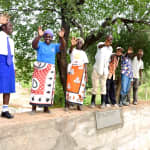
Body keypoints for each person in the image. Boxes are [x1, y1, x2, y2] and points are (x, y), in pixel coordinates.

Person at [30, 26, 66, 113]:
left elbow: (63, 47)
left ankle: (46, 108)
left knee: (48, 89)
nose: (48, 38)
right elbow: (33, 45)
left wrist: (61, 38)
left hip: (50, 69)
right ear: (44, 37)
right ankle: (34, 108)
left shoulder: (55, 46)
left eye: (49, 36)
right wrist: (39, 36)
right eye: (46, 36)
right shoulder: (40, 44)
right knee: (37, 87)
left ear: (52, 38)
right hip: (39, 68)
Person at [66, 37, 88, 111]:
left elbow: (85, 64)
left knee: (80, 89)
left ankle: (79, 105)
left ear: (82, 44)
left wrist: (86, 74)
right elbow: (69, 51)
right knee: (70, 87)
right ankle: (67, 105)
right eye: (77, 42)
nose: (79, 43)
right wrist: (72, 45)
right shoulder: (72, 50)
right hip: (72, 71)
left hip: (81, 72)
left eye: (80, 42)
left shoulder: (83, 53)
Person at [91, 35, 113, 108]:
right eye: (108, 39)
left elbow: (110, 58)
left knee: (103, 86)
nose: (109, 41)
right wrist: (104, 44)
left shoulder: (110, 49)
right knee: (95, 86)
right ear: (106, 39)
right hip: (97, 68)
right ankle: (92, 102)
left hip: (105, 70)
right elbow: (99, 46)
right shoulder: (100, 44)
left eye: (111, 40)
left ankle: (103, 102)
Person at [0, 14, 15, 118]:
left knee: (8, 88)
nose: (11, 28)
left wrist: (14, 68)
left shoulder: (11, 40)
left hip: (9, 64)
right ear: (3, 27)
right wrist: (1, 21)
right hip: (0, 61)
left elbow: (12, 55)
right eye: (9, 26)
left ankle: (5, 110)